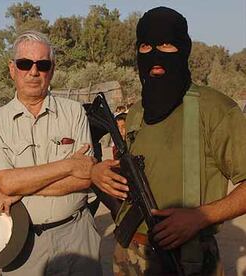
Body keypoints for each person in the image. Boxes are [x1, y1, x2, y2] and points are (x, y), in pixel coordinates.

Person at [91, 6, 246, 275]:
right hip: (128, 255)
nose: (154, 56)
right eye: (145, 47)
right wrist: (101, 174)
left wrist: (201, 217)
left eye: (165, 45)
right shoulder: (138, 111)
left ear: (183, 49)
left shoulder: (216, 109)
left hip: (190, 258)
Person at [0, 30, 101, 276]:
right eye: (25, 64)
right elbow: (7, 182)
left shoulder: (74, 112)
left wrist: (16, 190)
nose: (34, 72)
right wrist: (68, 166)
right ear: (12, 69)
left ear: (52, 70)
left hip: (76, 235)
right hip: (20, 244)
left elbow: (86, 176)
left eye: (42, 65)